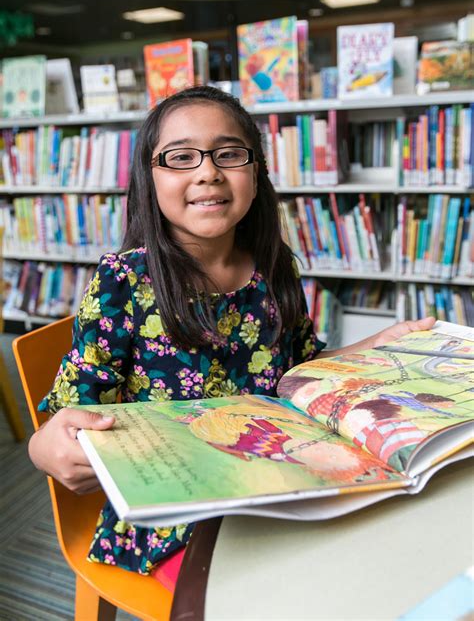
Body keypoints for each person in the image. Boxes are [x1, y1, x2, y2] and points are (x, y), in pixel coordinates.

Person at [28, 85, 435, 576]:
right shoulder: (124, 279)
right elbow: (70, 414)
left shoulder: (274, 265)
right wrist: (43, 447)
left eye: (229, 153)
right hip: (177, 514)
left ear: (257, 170)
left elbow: (299, 371)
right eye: (180, 157)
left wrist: (376, 345)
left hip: (280, 481)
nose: (207, 171)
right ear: (149, 178)